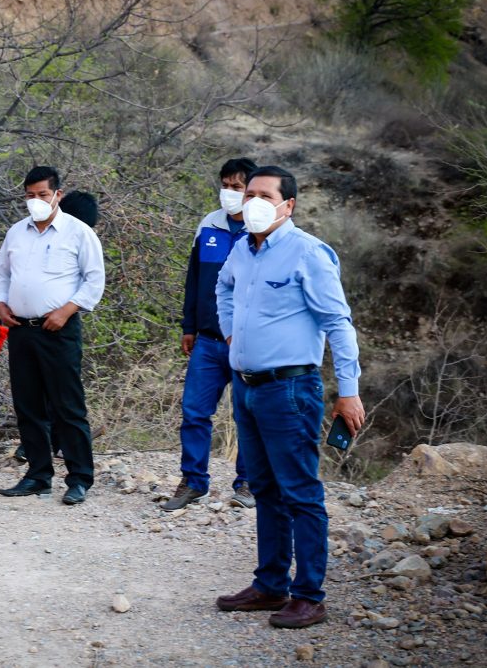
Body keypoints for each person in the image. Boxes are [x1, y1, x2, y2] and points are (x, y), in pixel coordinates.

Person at [213, 166, 365, 628]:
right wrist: (229, 336)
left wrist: (349, 392)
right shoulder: (242, 250)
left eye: (264, 195)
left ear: (288, 205)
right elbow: (223, 289)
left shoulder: (309, 253)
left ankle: (309, 595)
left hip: (291, 389)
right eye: (249, 194)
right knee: (264, 487)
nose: (252, 202)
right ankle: (269, 585)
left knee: (300, 491)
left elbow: (339, 324)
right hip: (247, 387)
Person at [0, 167, 105, 505]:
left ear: (57, 194)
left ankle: (80, 478)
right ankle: (38, 475)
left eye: (42, 194)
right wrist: (0, 303)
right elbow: (1, 272)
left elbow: (94, 280)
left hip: (58, 329)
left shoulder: (79, 232)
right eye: (29, 195)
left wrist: (67, 310)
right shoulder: (16, 232)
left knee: (67, 406)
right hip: (21, 329)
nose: (35, 201)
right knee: (27, 405)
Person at [163, 158, 257, 512]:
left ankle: (247, 483)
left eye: (238, 187)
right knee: (194, 413)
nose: (230, 193)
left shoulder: (263, 231)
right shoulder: (209, 225)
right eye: (226, 185)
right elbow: (193, 279)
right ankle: (193, 482)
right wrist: (189, 326)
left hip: (247, 343)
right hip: (207, 340)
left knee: (246, 414)